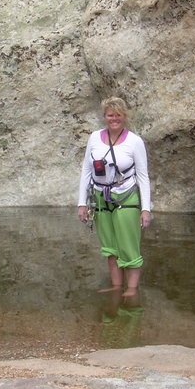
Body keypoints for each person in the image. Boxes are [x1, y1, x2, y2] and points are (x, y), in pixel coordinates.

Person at [78, 97, 151, 297]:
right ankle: (117, 287)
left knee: (128, 246)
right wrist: (82, 203)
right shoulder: (94, 138)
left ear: (124, 117)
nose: (114, 118)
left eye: (118, 115)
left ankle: (132, 290)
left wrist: (146, 209)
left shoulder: (134, 141)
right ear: (104, 117)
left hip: (126, 199)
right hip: (100, 198)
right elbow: (86, 170)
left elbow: (143, 176)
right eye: (110, 115)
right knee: (110, 247)